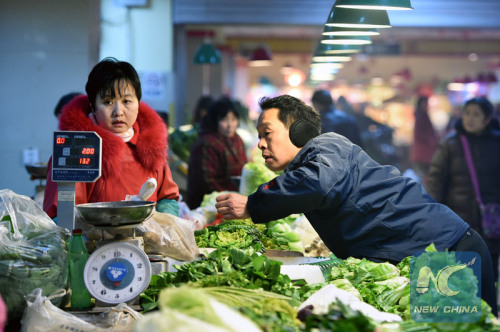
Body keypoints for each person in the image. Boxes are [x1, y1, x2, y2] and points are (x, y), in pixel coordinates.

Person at [215, 94, 497, 315]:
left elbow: (316, 183)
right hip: (436, 252)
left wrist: (254, 204)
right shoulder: (313, 161)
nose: (261, 144)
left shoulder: (327, 147)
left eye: (267, 133)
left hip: (447, 254)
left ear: (299, 132)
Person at [43, 57, 180, 218]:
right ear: (93, 107)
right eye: (107, 102)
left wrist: (165, 225)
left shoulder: (152, 147)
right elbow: (59, 215)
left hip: (148, 242)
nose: (118, 111)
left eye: (127, 101)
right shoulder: (74, 151)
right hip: (92, 242)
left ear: (138, 103)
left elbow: (167, 198)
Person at [427, 96, 500, 291]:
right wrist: (433, 215)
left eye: (476, 114)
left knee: (489, 272)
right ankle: (464, 316)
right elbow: (435, 179)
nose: (470, 118)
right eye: (467, 113)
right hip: (458, 221)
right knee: (460, 274)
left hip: (491, 223)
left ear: (487, 119)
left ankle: (489, 315)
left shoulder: (496, 143)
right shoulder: (450, 143)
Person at [186, 97, 247, 209]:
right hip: (207, 207)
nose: (230, 125)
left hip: (232, 202)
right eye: (224, 120)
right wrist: (228, 199)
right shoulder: (206, 144)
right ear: (215, 120)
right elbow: (207, 182)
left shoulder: (237, 139)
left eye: (233, 119)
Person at [410, 96, 439, 184]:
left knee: (423, 177)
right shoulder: (421, 117)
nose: (427, 106)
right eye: (425, 104)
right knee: (423, 179)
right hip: (423, 154)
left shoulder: (422, 116)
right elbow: (422, 136)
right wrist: (434, 141)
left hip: (422, 154)